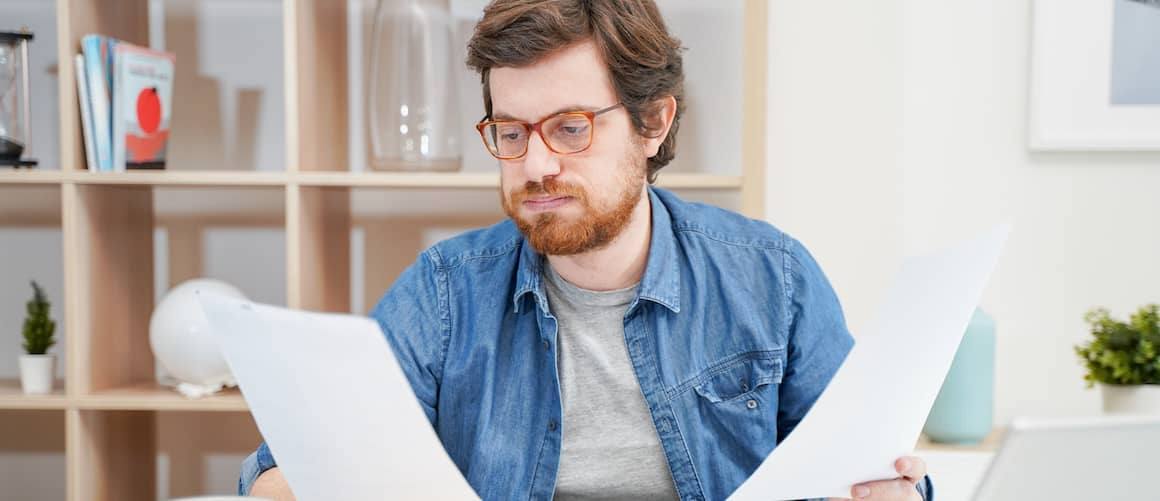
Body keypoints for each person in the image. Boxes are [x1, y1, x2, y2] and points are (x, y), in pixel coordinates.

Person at [240, 1, 933, 500]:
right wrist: (291, 482)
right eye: (511, 133)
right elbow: (282, 465)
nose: (535, 164)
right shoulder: (446, 292)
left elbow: (880, 467)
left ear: (652, 122)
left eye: (569, 127)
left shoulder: (770, 278)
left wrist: (895, 490)